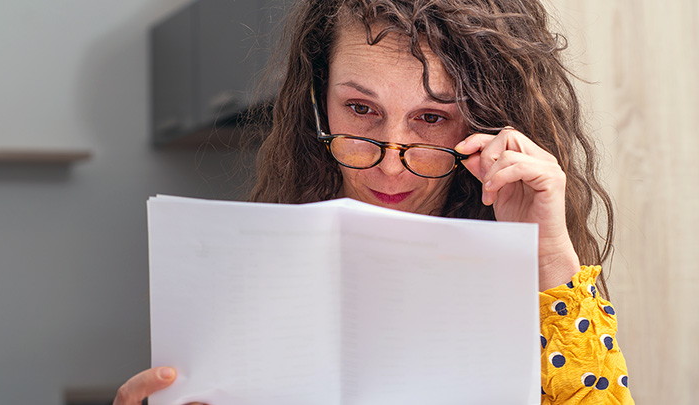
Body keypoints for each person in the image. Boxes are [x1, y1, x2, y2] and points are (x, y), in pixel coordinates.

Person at [115, 0, 634, 403]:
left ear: (483, 121)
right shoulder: (245, 278)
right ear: (317, 101)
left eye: (431, 118)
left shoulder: (530, 283)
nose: (389, 164)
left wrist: (545, 256)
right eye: (361, 109)